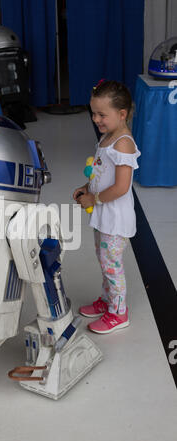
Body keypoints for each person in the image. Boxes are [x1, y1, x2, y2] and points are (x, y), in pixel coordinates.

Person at [73, 80, 140, 334]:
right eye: (94, 113)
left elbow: (122, 187)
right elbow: (102, 174)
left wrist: (94, 199)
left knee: (112, 263)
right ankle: (108, 299)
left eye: (102, 114)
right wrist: (86, 188)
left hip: (115, 218)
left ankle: (118, 312)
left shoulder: (123, 143)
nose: (96, 119)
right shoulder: (107, 137)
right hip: (103, 214)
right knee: (104, 260)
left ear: (121, 114)